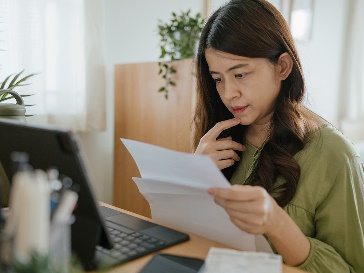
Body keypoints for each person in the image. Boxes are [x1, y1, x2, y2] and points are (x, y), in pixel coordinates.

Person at [192, 0, 364, 272]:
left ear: (282, 67)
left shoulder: (336, 156)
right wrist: (194, 175)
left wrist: (278, 225)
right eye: (218, 79)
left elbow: (352, 267)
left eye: (240, 74)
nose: (228, 93)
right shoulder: (217, 139)